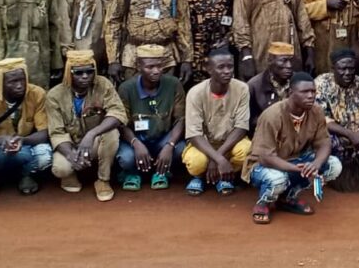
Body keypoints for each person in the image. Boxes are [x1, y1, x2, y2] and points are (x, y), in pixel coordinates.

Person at [243, 72, 342, 224]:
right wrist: (299, 170)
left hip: (296, 160)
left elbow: (324, 143)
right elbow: (265, 157)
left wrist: (315, 165)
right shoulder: (272, 115)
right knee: (278, 179)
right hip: (261, 165)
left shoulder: (316, 111)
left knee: (333, 166)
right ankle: (264, 202)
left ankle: (287, 198)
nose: (310, 96)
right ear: (291, 93)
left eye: (313, 91)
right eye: (304, 92)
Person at [46, 50, 126, 201]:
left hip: (94, 143)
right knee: (61, 169)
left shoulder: (103, 84)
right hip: (70, 144)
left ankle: (103, 180)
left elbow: (118, 114)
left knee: (112, 132)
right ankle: (71, 174)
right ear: (69, 73)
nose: (85, 76)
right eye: (79, 73)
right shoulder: (54, 95)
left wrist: (91, 134)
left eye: (89, 72)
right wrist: (71, 155)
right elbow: (56, 132)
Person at [0, 58, 52, 199]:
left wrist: (24, 140)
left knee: (44, 153)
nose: (19, 85)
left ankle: (27, 175)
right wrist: (2, 140)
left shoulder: (37, 93)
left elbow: (43, 133)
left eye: (22, 80)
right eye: (12, 82)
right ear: (0, 82)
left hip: (24, 147)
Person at [182, 47, 251, 196]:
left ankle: (224, 175)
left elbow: (241, 127)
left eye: (230, 66)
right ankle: (199, 176)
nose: (227, 71)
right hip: (205, 144)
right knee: (196, 162)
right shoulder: (195, 93)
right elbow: (194, 134)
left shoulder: (242, 89)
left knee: (246, 150)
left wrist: (217, 159)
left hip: (229, 143)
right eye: (221, 67)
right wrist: (218, 158)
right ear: (209, 69)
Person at [116, 45, 186, 191]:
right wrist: (135, 143)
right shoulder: (126, 88)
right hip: (136, 138)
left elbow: (181, 119)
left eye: (160, 66)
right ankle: (132, 172)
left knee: (181, 150)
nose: (156, 71)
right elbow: (121, 124)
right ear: (138, 67)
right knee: (126, 159)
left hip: (162, 139)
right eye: (150, 67)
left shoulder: (173, 84)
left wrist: (170, 145)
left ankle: (161, 172)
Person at [314, 48, 359, 191]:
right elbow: (321, 119)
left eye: (351, 68)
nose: (348, 73)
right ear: (333, 68)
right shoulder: (321, 84)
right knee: (327, 142)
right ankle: (330, 174)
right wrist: (349, 134)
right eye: (342, 69)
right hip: (335, 135)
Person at [247, 42, 294, 130]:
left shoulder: (298, 83)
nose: (289, 66)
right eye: (283, 60)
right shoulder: (254, 86)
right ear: (270, 61)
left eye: (291, 60)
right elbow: (249, 121)